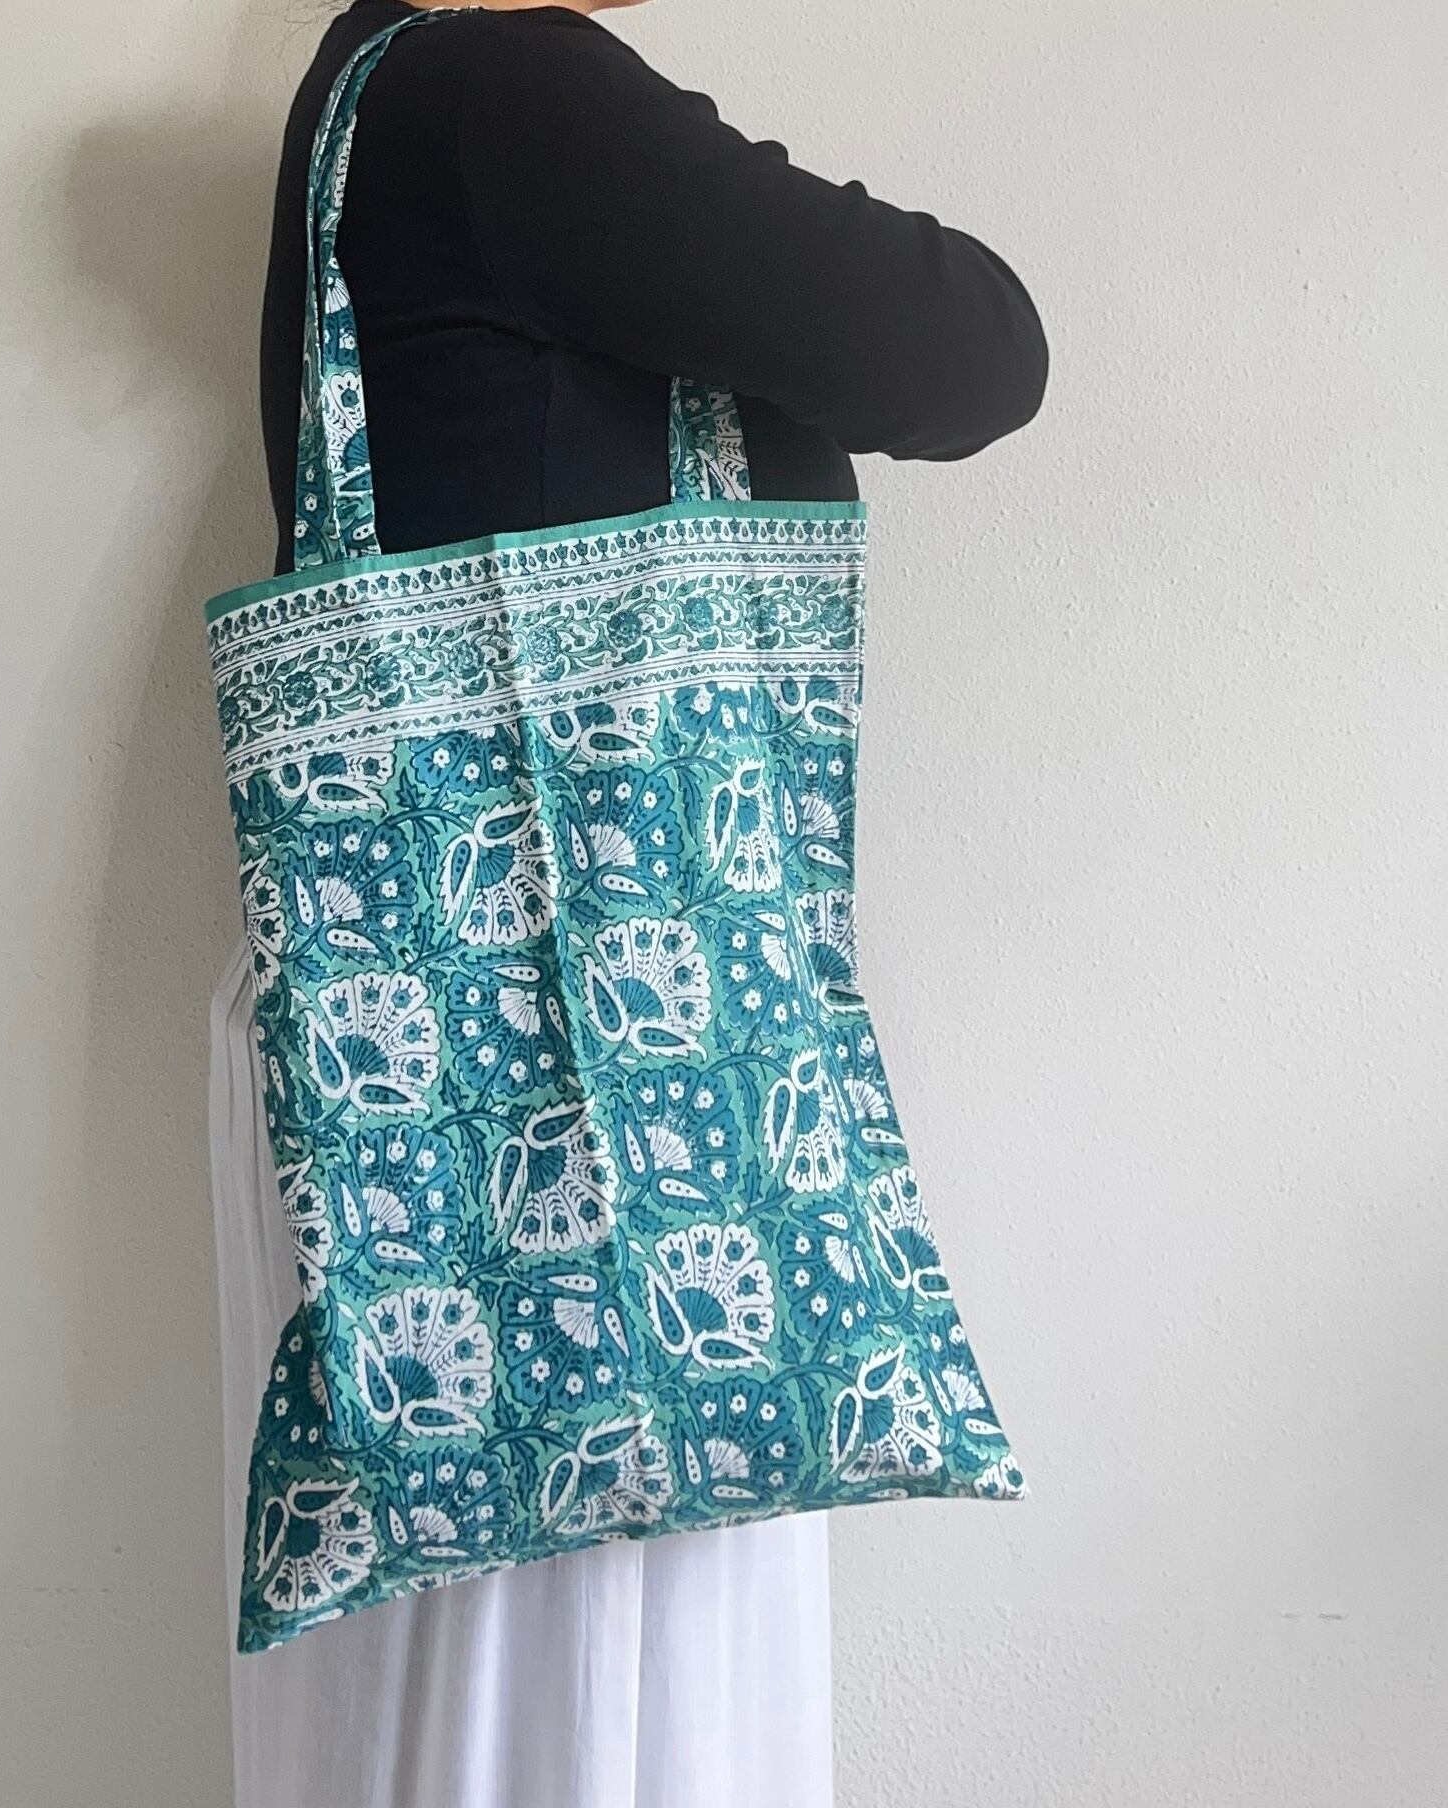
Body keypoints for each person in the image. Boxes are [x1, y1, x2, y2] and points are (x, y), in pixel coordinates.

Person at [212, 4, 1047, 1805]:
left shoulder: (380, 78)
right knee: (594, 1722)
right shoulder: (512, 90)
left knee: (457, 1720)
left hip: (414, 1047)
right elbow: (974, 353)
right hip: (566, 1063)